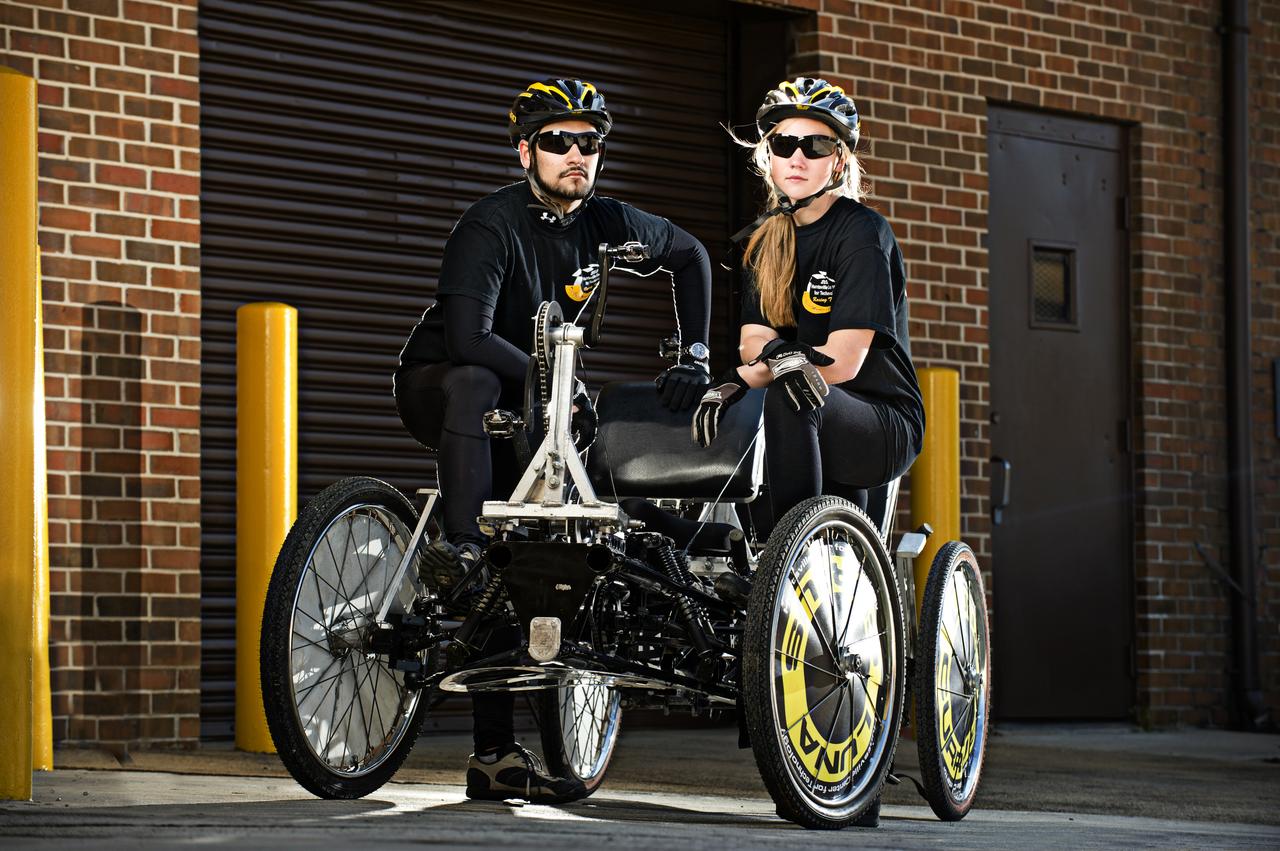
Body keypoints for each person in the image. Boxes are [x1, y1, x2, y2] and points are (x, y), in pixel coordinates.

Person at [394, 78, 713, 802]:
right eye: (557, 141)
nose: (576, 154)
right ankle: (459, 547)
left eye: (588, 142)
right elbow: (471, 339)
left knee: (551, 538)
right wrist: (554, 381)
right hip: (446, 382)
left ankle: (500, 760)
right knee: (478, 397)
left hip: (540, 393)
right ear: (525, 151)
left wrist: (694, 355)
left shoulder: (607, 221)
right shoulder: (489, 226)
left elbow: (690, 254)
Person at [694, 77, 924, 571]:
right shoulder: (766, 239)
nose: (798, 158)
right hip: (807, 413)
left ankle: (787, 559)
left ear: (837, 161)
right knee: (755, 401)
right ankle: (750, 569)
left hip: (880, 419)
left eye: (815, 145)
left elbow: (841, 363)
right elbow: (754, 340)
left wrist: (758, 369)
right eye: (785, 144)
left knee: (785, 389)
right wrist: (747, 373)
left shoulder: (862, 232)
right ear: (768, 157)